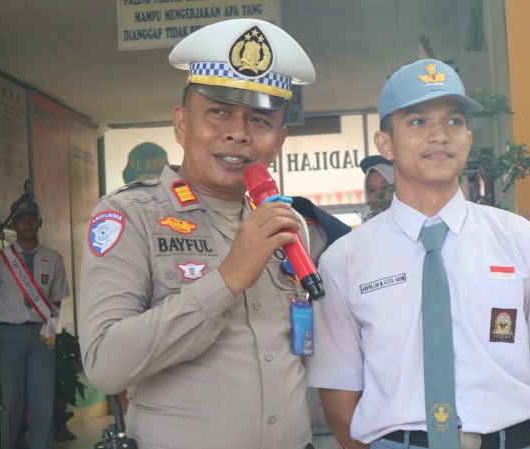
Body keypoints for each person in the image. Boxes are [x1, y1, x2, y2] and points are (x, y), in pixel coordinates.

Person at [77, 19, 350, 449]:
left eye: (259, 119)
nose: (238, 132)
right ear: (181, 123)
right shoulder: (130, 216)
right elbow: (104, 364)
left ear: (278, 140)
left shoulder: (291, 226)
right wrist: (227, 280)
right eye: (219, 111)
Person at [306, 59, 530, 449]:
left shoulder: (521, 241)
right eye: (418, 121)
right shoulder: (344, 261)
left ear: (467, 139)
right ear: (385, 143)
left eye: (453, 121)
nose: (439, 135)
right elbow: (339, 399)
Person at [357, 156, 530, 277]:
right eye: (372, 190)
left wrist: (527, 241)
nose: (379, 196)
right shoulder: (356, 249)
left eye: (386, 187)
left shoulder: (457, 228)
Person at [0, 199, 70, 449]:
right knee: (8, 404)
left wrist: (46, 328)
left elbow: (56, 301)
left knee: (43, 403)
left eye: (32, 218)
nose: (28, 223)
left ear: (40, 222)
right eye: (21, 219)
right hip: (9, 336)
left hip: (42, 337)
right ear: (13, 224)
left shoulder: (53, 259)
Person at [360, 155, 395, 221]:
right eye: (371, 190)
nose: (378, 195)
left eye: (385, 187)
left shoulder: (414, 222)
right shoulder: (367, 225)